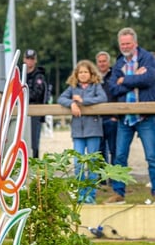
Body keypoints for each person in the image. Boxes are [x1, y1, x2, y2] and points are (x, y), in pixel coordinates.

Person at [106, 27, 155, 203]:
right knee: (119, 156)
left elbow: (149, 79)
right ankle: (119, 193)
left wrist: (125, 79)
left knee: (152, 156)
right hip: (125, 117)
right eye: (122, 43)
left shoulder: (147, 58)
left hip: (145, 115)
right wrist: (135, 78)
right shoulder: (119, 62)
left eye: (128, 43)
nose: (125, 46)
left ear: (135, 43)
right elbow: (112, 88)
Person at [57, 60, 107, 203]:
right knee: (78, 163)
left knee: (92, 163)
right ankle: (80, 194)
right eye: (81, 72)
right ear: (76, 74)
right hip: (78, 131)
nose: (83, 75)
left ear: (91, 73)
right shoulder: (73, 88)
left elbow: (102, 98)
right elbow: (61, 98)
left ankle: (90, 195)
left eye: (86, 72)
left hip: (94, 129)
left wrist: (83, 100)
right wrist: (72, 103)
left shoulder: (96, 86)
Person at [24, 49, 49, 158]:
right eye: (28, 58)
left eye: (32, 59)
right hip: (22, 112)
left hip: (35, 112)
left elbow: (37, 94)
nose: (30, 61)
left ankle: (35, 165)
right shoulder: (20, 74)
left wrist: (22, 95)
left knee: (34, 144)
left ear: (35, 60)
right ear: (24, 59)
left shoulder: (39, 76)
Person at [95, 51, 117, 167]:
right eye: (100, 61)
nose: (102, 64)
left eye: (104, 61)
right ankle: (102, 178)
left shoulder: (115, 75)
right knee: (100, 150)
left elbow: (119, 95)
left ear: (108, 62)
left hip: (112, 118)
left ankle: (113, 177)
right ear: (96, 63)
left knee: (114, 149)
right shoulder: (93, 77)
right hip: (97, 119)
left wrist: (116, 116)